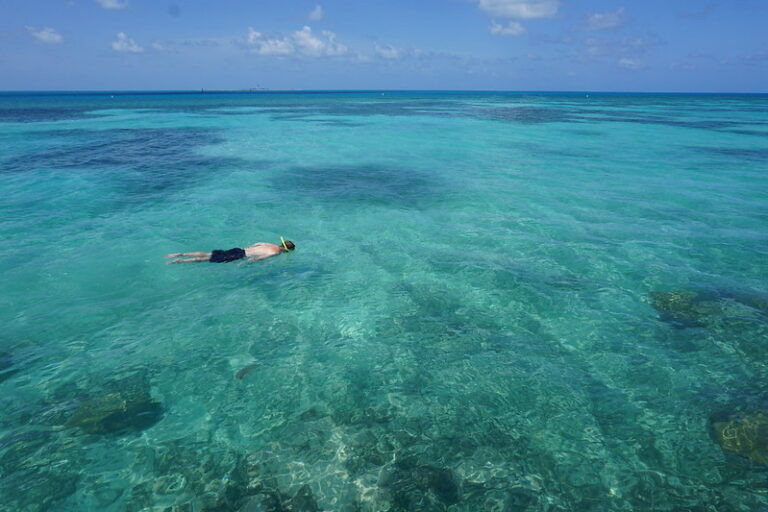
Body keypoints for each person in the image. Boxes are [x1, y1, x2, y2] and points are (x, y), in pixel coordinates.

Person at [165, 239, 295, 264]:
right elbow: (258, 259)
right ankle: (181, 260)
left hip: (240, 249)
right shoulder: (275, 252)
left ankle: (181, 254)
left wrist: (251, 249)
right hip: (239, 255)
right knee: (207, 258)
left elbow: (258, 243)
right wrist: (245, 263)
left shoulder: (270, 243)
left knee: (208, 253)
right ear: (286, 250)